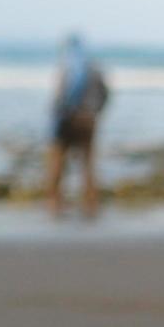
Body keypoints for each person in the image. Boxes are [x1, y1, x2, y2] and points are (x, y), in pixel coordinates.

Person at [46, 34, 109, 217]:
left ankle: (55, 202)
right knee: (88, 164)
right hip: (89, 120)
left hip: (67, 120)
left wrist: (54, 120)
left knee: (57, 161)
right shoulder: (95, 69)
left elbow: (58, 99)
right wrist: (96, 112)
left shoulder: (67, 68)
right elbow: (105, 95)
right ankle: (91, 203)